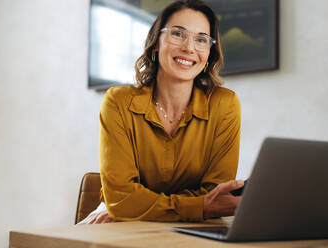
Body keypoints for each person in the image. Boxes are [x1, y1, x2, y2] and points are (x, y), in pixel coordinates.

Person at [83, 0, 243, 224]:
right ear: (156, 43)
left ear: (209, 53)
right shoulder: (117, 102)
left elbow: (216, 195)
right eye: (178, 34)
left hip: (196, 222)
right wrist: (198, 205)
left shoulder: (225, 105)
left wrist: (139, 209)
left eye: (201, 39)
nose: (189, 48)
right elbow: (121, 200)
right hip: (116, 219)